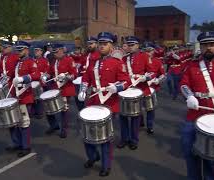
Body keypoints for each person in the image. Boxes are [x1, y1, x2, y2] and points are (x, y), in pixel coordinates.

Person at [180, 31, 214, 180]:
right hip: (194, 116)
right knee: (189, 151)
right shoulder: (192, 65)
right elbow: (184, 84)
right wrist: (189, 95)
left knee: (212, 159)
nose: (208, 48)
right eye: (205, 45)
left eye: (212, 44)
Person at [78, 32, 131, 177]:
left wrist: (117, 87)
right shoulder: (94, 62)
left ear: (111, 45)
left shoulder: (117, 63)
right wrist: (82, 91)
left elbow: (126, 81)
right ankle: (93, 156)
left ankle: (106, 164)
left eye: (105, 44)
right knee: (87, 133)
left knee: (105, 137)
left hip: (109, 103)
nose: (101, 46)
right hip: (93, 102)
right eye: (100, 43)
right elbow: (85, 78)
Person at [118, 36, 155, 150]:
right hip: (126, 90)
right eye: (128, 45)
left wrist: (146, 77)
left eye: (132, 45)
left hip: (139, 89)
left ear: (138, 45)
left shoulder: (145, 56)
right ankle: (124, 138)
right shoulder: (124, 59)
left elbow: (152, 73)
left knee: (135, 116)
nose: (130, 47)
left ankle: (134, 139)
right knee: (123, 115)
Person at [10, 41, 40, 157]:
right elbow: (13, 77)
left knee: (24, 122)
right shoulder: (18, 63)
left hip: (25, 95)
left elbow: (36, 75)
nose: (18, 52)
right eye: (17, 50)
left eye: (20, 50)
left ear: (27, 50)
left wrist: (24, 79)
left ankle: (25, 146)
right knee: (16, 122)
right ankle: (18, 143)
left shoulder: (30, 61)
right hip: (16, 95)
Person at [43, 43, 77, 138]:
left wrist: (66, 76)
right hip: (55, 88)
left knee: (64, 109)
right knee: (49, 108)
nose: (55, 54)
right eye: (54, 52)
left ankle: (64, 129)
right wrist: (45, 76)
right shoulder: (54, 62)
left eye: (56, 52)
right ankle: (54, 125)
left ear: (62, 50)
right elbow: (49, 72)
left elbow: (74, 75)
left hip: (66, 88)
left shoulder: (69, 60)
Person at [143, 42, 166, 134]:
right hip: (140, 87)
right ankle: (140, 121)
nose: (147, 53)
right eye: (145, 51)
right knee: (138, 109)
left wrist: (158, 80)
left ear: (153, 51)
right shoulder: (139, 61)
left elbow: (163, 75)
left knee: (150, 108)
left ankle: (149, 125)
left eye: (149, 51)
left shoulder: (157, 61)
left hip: (151, 88)